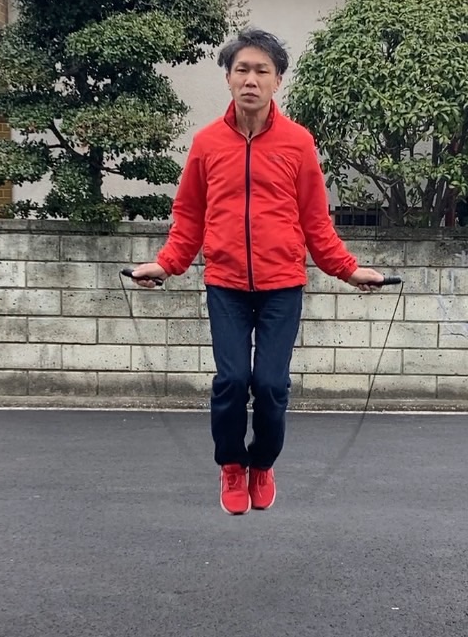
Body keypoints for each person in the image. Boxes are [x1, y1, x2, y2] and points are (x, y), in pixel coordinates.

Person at [129, 28, 384, 515]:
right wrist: (166, 263)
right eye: (242, 70)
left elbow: (315, 220)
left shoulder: (298, 143)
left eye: (261, 71)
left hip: (281, 286)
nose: (251, 79)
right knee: (230, 381)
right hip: (225, 285)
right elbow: (189, 216)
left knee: (270, 384)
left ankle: (262, 463)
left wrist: (347, 270)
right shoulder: (206, 143)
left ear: (277, 80)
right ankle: (231, 465)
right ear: (228, 78)